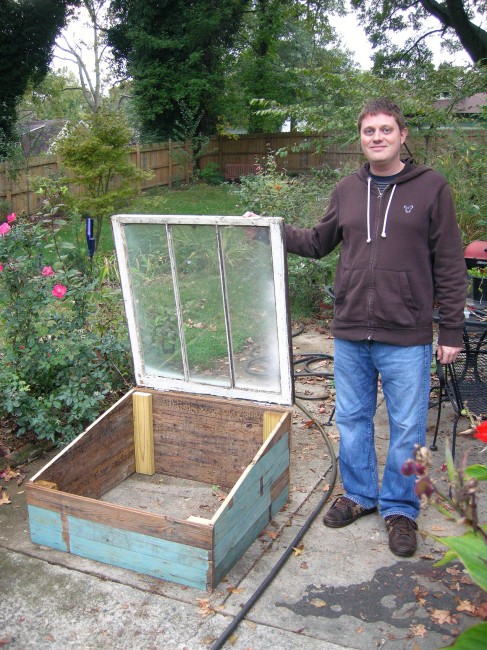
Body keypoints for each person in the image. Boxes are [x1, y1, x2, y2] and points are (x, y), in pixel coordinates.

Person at [283, 98, 468, 557]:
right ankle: (361, 494)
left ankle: (402, 508)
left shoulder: (431, 188)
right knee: (351, 419)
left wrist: (450, 332)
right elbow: (318, 241)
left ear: (403, 135)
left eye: (386, 130)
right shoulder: (347, 188)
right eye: (369, 131)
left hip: (406, 333)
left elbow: (448, 262)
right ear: (360, 139)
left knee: (408, 425)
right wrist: (269, 229)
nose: (378, 137)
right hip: (350, 330)